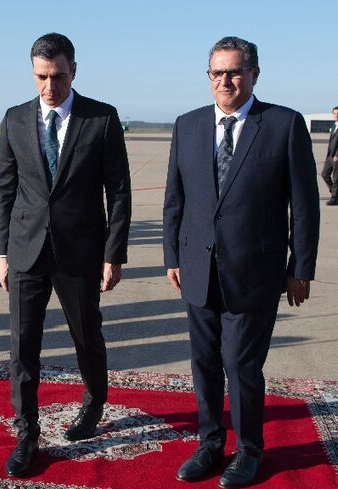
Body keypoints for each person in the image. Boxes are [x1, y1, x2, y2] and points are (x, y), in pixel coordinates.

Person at [163, 37, 320, 487]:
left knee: (241, 365)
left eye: (234, 72)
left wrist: (300, 267)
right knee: (205, 363)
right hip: (197, 269)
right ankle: (210, 443)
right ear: (208, 76)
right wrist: (172, 255)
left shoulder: (282, 125)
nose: (225, 81)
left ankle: (249, 450)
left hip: (256, 272)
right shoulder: (187, 125)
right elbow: (175, 199)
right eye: (217, 72)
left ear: (254, 74)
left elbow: (304, 205)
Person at [0, 33, 132, 477]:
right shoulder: (15, 118)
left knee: (86, 336)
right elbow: (6, 190)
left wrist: (114, 255)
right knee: (22, 346)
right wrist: (1, 253)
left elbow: (120, 191)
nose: (48, 86)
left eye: (57, 76)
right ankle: (26, 434)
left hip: (81, 252)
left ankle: (93, 405)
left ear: (74, 70)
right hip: (26, 250)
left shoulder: (101, 118)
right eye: (40, 77)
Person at [321, 106, 338, 206]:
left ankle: (334, 198)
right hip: (330, 156)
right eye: (335, 113)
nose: (336, 115)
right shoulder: (334, 125)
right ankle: (334, 192)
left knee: (336, 178)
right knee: (324, 174)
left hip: (336, 157)